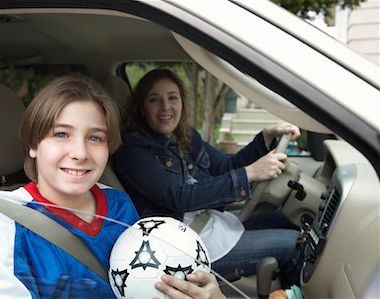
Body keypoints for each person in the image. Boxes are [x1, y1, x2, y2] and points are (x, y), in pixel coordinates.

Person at [0, 75, 225, 298]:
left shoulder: (118, 204)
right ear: (33, 144)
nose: (80, 152)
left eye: (95, 138)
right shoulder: (1, 224)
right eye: (61, 134)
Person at [112, 69, 304, 288]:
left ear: (182, 102)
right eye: (154, 100)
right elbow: (179, 197)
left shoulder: (185, 135)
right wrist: (250, 173)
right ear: (141, 109)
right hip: (184, 246)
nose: (166, 107)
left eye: (172, 98)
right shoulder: (132, 150)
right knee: (295, 245)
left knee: (290, 218)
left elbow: (225, 167)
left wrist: (266, 137)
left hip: (211, 223)